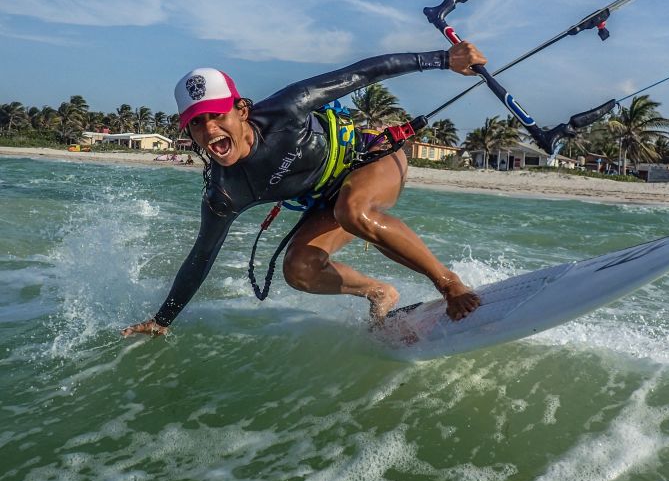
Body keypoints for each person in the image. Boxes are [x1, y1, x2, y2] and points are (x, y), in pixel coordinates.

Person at [122, 41, 486, 337]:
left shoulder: (287, 109)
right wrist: (162, 320)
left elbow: (361, 73)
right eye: (197, 123)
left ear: (242, 110)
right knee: (299, 269)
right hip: (327, 200)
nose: (210, 129)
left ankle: (450, 284)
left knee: (353, 210)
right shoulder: (224, 193)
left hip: (373, 158)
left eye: (217, 115)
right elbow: (200, 258)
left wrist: (442, 59)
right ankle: (379, 292)